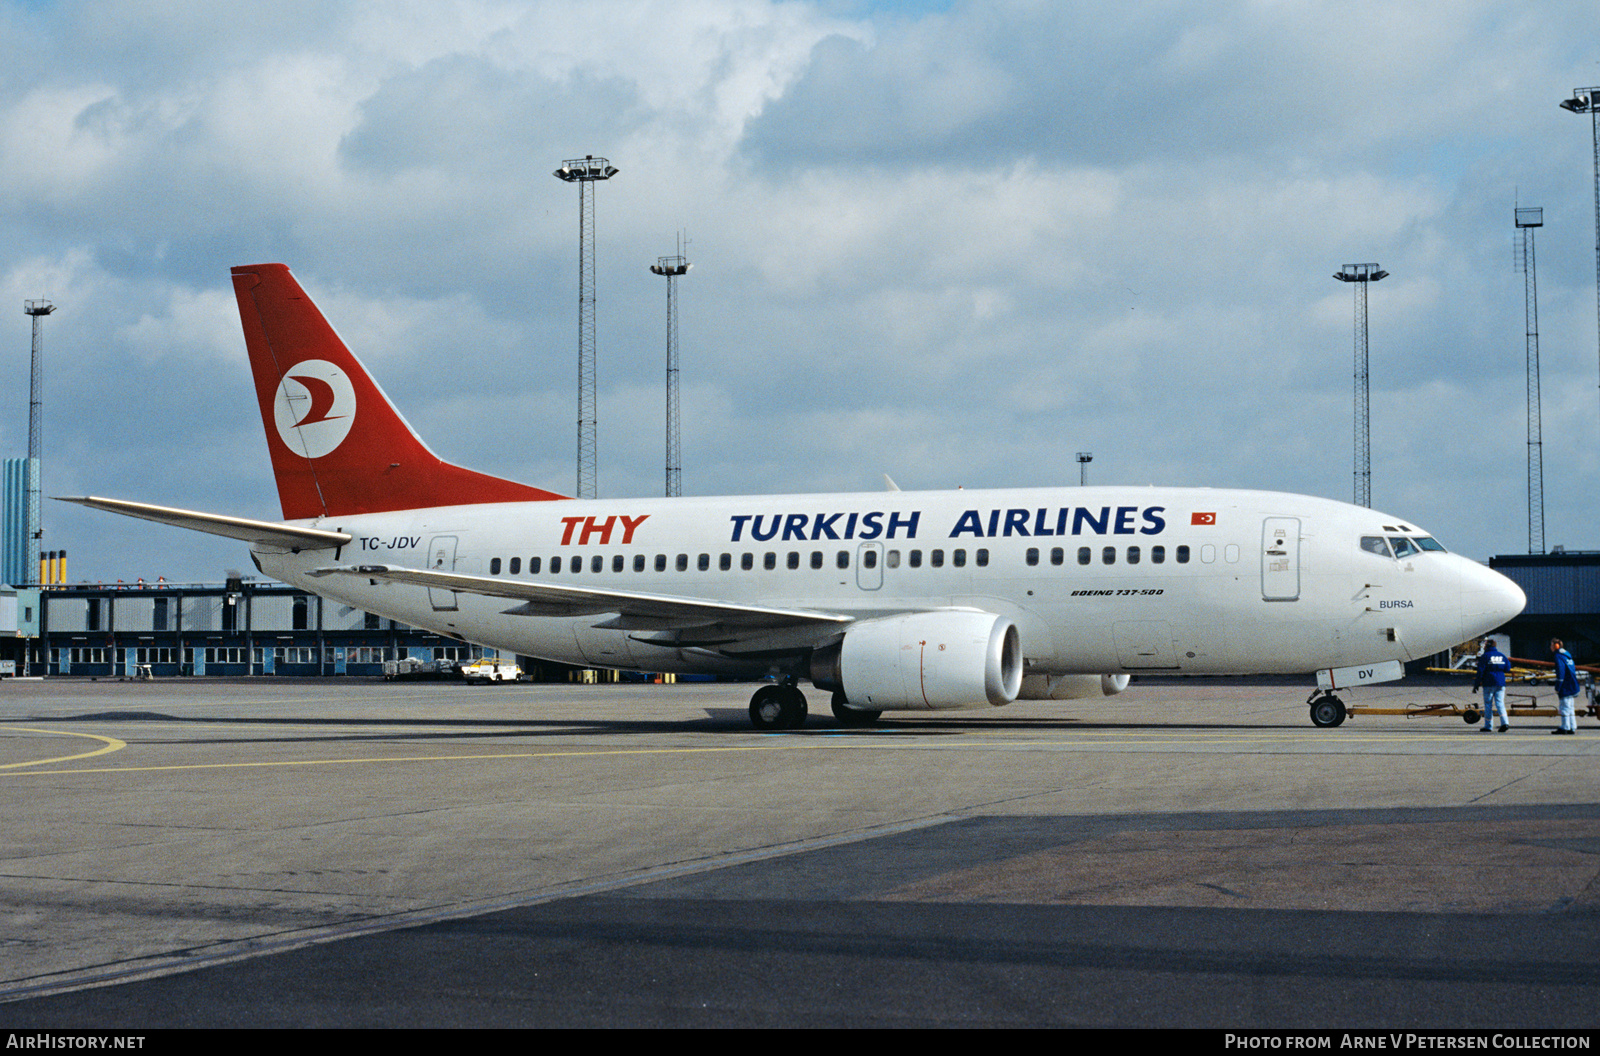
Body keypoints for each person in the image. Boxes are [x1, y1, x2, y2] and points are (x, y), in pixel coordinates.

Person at [1472, 638, 1512, 732]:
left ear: (1488, 646)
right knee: (1500, 703)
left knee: (1488, 704)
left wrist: (1476, 685)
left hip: (1489, 683)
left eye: (1485, 645)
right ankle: (1505, 723)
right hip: (1501, 683)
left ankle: (1488, 726)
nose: (1484, 647)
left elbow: (1480, 671)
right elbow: (1508, 668)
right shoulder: (1502, 655)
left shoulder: (1485, 656)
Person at [1550, 638, 1580, 735]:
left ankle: (1565, 727)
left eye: (1551, 645)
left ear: (1556, 645)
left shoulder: (1558, 656)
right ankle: (1572, 726)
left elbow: (1561, 672)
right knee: (1570, 707)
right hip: (1572, 684)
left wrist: (1557, 687)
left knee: (1564, 707)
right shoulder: (1568, 655)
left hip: (1565, 685)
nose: (1550, 647)